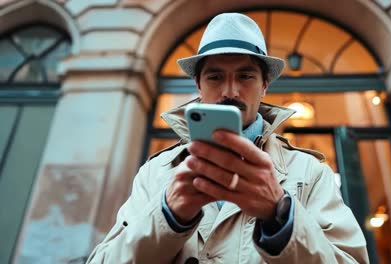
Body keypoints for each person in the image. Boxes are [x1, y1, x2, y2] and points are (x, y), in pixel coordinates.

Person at [87, 13, 369, 264]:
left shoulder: (310, 173)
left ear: (265, 85)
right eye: (215, 77)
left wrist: (281, 217)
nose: (230, 92)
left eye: (245, 76)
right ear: (198, 84)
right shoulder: (155, 173)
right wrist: (167, 216)